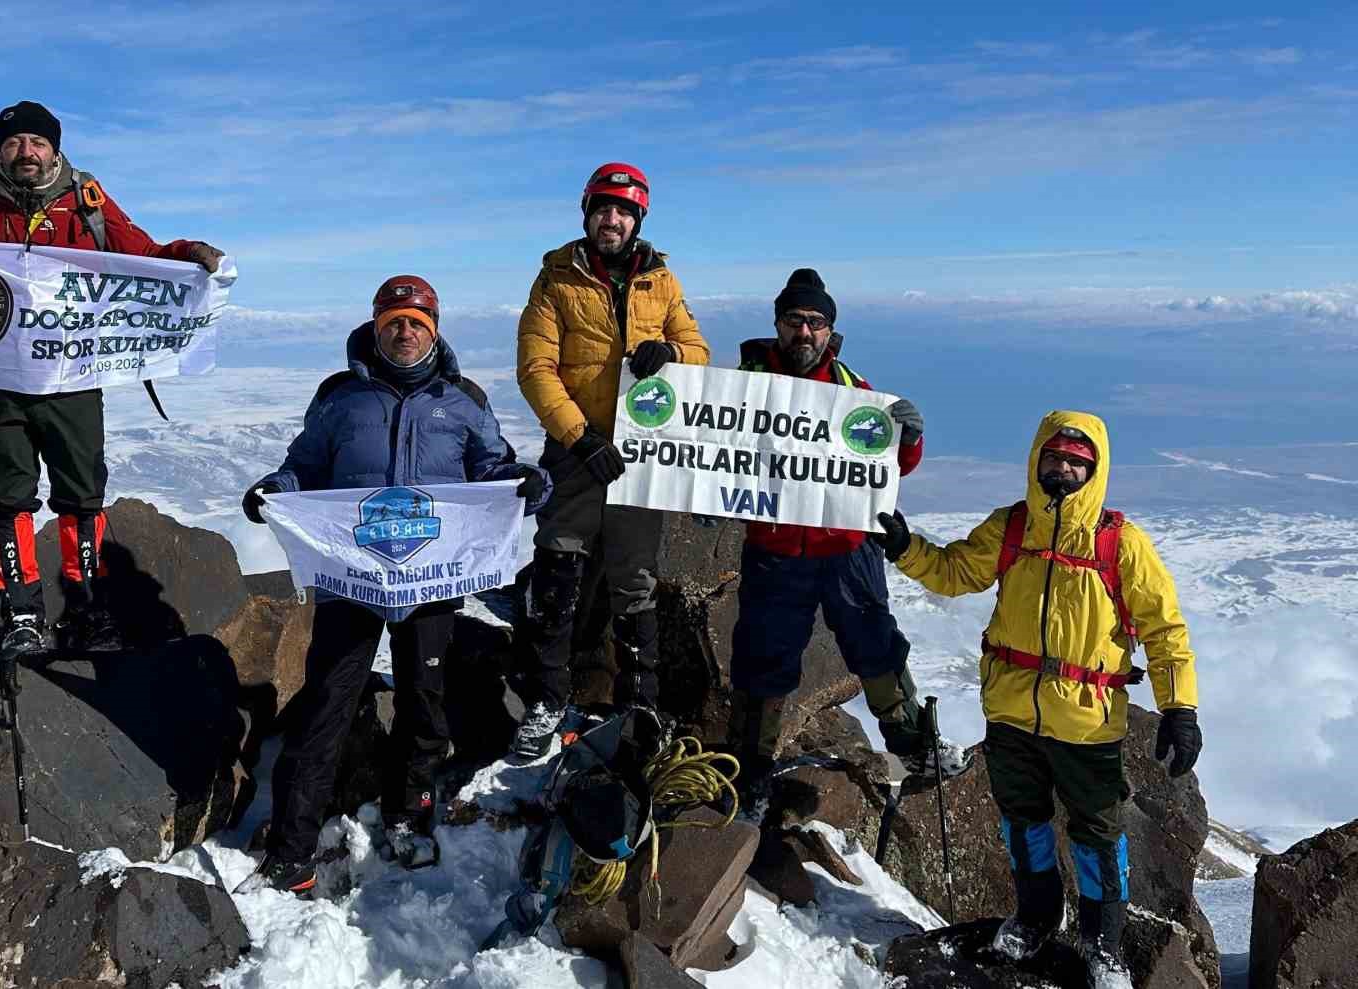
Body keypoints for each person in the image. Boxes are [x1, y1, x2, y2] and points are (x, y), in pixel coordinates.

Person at [0, 100, 224, 659]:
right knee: (8, 501)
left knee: (82, 500)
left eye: (37, 142)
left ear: (54, 148)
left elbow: (146, 256)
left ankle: (86, 609)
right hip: (0, 383)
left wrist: (188, 255)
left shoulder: (88, 205)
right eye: (13, 143)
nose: (25, 152)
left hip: (73, 380)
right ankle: (23, 615)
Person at [237, 276, 550, 896]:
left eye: (417, 322)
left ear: (434, 328)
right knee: (326, 704)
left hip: (431, 579)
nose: (404, 332)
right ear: (376, 326)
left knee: (423, 701)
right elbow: (303, 466)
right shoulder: (340, 397)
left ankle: (409, 817)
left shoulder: (463, 400)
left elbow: (491, 469)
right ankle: (291, 847)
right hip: (350, 578)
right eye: (394, 321)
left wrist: (524, 482)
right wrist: (277, 491)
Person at [874, 411, 1202, 989]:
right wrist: (905, 548)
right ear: (1037, 461)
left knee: (1097, 834)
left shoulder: (1120, 542)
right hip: (1010, 712)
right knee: (1023, 822)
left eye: (1078, 462)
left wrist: (1180, 709)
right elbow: (955, 573)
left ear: (1094, 470)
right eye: (1055, 457)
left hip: (1087, 724)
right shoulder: (1011, 527)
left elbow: (1165, 631)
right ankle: (1036, 916)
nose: (1065, 468)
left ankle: (1104, 946)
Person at [722, 269, 969, 794]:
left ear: (829, 330)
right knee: (763, 655)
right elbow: (697, 442)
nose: (804, 333)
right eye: (794, 321)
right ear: (777, 325)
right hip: (777, 547)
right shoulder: (740, 387)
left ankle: (916, 749)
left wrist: (909, 438)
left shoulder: (854, 392)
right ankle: (751, 764)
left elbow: (886, 465)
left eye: (815, 322)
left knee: (875, 643)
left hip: (846, 545)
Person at [511, 162, 710, 759]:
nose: (612, 220)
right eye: (603, 209)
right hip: (577, 453)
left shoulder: (662, 282)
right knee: (558, 568)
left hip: (641, 455)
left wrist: (669, 351)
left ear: (638, 218)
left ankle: (640, 700)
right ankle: (547, 698)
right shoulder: (556, 279)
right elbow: (535, 368)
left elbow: (699, 354)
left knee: (635, 578)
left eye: (623, 211)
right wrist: (578, 436)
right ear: (587, 214)